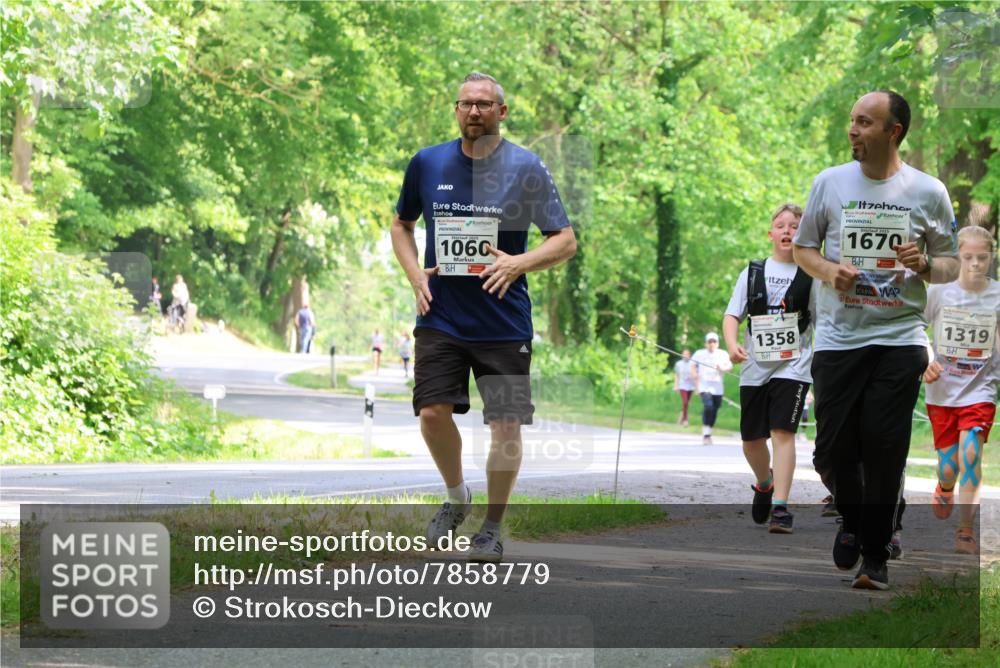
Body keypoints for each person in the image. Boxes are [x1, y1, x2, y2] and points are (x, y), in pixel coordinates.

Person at [391, 72, 576, 563]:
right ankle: (456, 498)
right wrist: (415, 276)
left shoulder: (527, 167)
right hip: (441, 316)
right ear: (456, 109)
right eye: (466, 104)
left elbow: (565, 240)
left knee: (506, 427)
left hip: (504, 323)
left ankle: (492, 527)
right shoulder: (427, 162)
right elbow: (401, 224)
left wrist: (518, 262)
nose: (474, 111)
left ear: (501, 111)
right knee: (432, 413)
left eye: (484, 104)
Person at [793, 90, 959, 590]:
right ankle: (854, 516)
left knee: (885, 446)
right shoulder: (830, 183)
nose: (853, 130)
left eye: (865, 122)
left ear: (894, 131)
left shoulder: (929, 191)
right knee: (832, 450)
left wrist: (926, 265)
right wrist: (828, 271)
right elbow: (804, 248)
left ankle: (875, 555)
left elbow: (951, 264)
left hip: (899, 335)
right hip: (839, 338)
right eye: (852, 121)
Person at [723, 202, 815, 534]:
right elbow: (733, 315)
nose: (788, 230)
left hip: (794, 364)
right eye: (782, 225)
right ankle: (765, 483)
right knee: (751, 439)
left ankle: (781, 507)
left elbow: (824, 321)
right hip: (755, 366)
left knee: (783, 432)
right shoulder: (753, 272)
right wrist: (733, 344)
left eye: (795, 226)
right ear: (770, 233)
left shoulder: (813, 275)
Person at [922, 225, 999, 556]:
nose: (975, 264)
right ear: (957, 258)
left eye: (983, 258)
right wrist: (924, 359)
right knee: (950, 465)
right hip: (942, 391)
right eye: (968, 257)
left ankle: (966, 528)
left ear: (991, 258)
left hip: (980, 389)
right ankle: (945, 484)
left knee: (971, 454)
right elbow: (913, 325)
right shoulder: (940, 292)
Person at [690, 333, 733, 445]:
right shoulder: (699, 354)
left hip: (718, 387)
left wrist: (722, 368)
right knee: (708, 407)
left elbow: (729, 367)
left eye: (714, 342)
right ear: (706, 343)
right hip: (704, 386)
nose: (712, 344)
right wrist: (695, 375)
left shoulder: (722, 354)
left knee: (714, 410)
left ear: (717, 343)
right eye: (709, 342)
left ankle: (708, 432)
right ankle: (706, 435)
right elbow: (693, 364)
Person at [673, 349, 695, 426]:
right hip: (682, 385)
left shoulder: (692, 363)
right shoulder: (678, 364)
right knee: (685, 402)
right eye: (684, 354)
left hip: (691, 386)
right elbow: (677, 375)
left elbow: (695, 375)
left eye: (687, 354)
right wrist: (676, 385)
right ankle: (685, 420)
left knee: (686, 404)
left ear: (689, 355)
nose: (685, 356)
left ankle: (681, 417)